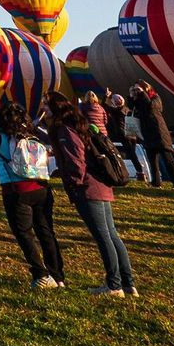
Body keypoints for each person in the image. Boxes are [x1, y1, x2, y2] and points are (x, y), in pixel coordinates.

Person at [46, 92, 136, 297]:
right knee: (112, 234)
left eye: (45, 104)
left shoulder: (64, 129)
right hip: (101, 184)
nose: (43, 109)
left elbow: (76, 160)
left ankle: (114, 285)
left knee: (103, 236)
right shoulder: (81, 125)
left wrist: (75, 184)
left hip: (88, 188)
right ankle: (128, 283)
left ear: (55, 107)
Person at [0, 100, 64, 290]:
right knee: (46, 231)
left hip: (15, 189)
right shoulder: (32, 131)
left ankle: (40, 273)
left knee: (24, 233)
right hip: (41, 187)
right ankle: (57, 275)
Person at [127, 83, 174, 191]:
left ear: (146, 88)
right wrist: (131, 95)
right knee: (152, 161)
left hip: (159, 132)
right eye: (135, 89)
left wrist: (143, 93)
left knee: (168, 160)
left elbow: (151, 107)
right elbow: (131, 107)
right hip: (147, 134)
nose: (137, 91)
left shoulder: (155, 97)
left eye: (138, 89)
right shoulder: (139, 101)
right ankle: (156, 183)